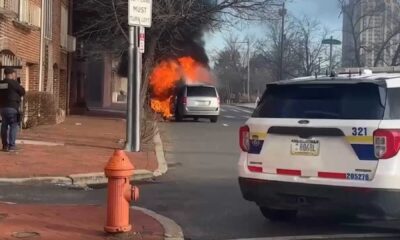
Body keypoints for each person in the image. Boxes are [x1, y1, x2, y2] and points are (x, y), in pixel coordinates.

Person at [0, 67, 25, 152]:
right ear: (11, 74)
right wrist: (18, 83)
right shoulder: (14, 83)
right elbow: (22, 92)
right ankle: (12, 146)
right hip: (12, 107)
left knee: (4, 126)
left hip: (2, 108)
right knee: (14, 125)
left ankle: (4, 146)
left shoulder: (1, 83)